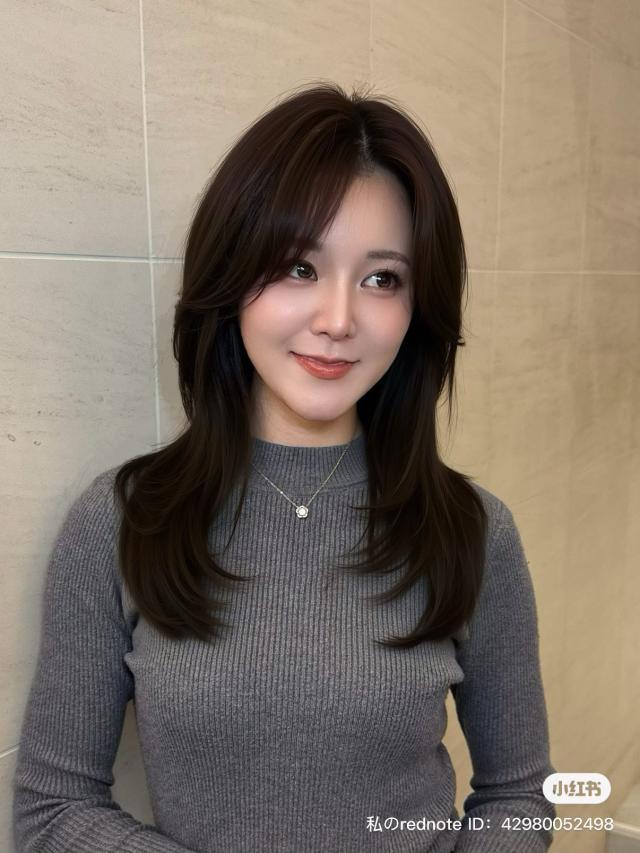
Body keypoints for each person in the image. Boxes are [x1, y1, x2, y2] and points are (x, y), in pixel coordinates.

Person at [12, 81, 556, 852]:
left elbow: (518, 795)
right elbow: (53, 808)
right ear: (231, 274)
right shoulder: (122, 519)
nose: (337, 319)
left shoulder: (474, 531)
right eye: (299, 267)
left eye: (382, 278)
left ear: (416, 307)